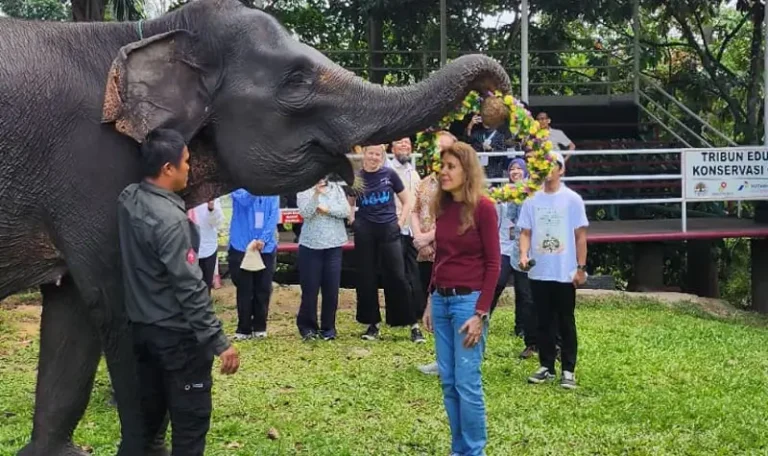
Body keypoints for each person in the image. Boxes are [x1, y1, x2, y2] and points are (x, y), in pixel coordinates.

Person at [116, 128, 239, 455]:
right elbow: (188, 287)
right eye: (185, 162)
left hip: (142, 333)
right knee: (190, 427)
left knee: (145, 427)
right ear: (167, 169)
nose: (190, 168)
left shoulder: (128, 200)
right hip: (178, 341)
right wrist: (218, 341)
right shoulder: (171, 220)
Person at [423, 141, 500, 456]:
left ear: (466, 171)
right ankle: (460, 450)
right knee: (449, 382)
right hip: (440, 302)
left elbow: (494, 264)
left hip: (468, 304)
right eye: (443, 166)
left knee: (467, 383)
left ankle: (474, 451)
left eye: (451, 166)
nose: (444, 172)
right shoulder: (442, 207)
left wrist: (480, 314)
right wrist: (430, 299)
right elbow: (440, 256)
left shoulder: (483, 207)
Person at [518, 152, 588, 389]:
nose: (549, 169)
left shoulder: (572, 199)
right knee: (543, 321)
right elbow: (525, 232)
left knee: (565, 321)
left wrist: (581, 268)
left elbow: (580, 236)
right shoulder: (531, 200)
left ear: (562, 170)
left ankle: (568, 369)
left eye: (554, 165)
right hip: (540, 271)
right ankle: (546, 366)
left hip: (564, 272)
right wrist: (524, 254)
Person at [353, 144, 423, 342]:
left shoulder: (389, 174)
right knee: (367, 278)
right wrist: (353, 221)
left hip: (388, 229)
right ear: (364, 155)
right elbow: (349, 202)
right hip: (365, 231)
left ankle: (412, 324)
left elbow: (408, 201)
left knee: (397, 276)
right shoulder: (357, 178)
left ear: (382, 156)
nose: (374, 157)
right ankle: (372, 324)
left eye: (378, 154)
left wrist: (399, 223)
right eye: (371, 153)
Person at [413, 131, 456, 376]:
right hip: (425, 253)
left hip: (447, 253)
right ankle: (440, 359)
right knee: (433, 308)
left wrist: (429, 238)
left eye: (444, 148)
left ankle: (452, 361)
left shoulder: (455, 186)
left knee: (451, 309)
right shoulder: (426, 182)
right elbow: (415, 210)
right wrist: (420, 239)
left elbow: (452, 219)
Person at [295, 176, 350, 341]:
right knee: (310, 290)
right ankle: (308, 328)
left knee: (331, 290)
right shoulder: (304, 189)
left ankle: (328, 328)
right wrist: (316, 196)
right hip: (311, 247)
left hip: (333, 245)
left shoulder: (336, 189)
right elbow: (305, 212)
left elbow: (345, 211)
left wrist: (326, 209)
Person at [386, 137, 425, 342]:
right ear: (392, 148)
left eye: (407, 144)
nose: (404, 146)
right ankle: (397, 317)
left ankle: (415, 315)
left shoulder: (413, 172)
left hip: (412, 231)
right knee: (396, 275)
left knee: (413, 275)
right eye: (400, 143)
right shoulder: (387, 170)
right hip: (393, 229)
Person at [227, 189, 280, 340]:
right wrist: (255, 186)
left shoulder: (272, 189)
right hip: (241, 244)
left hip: (265, 246)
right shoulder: (238, 186)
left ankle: (260, 326)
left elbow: (273, 216)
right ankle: (243, 328)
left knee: (263, 288)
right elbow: (244, 201)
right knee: (244, 289)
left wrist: (263, 239)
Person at [504, 159, 538, 359]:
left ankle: (554, 343)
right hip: (521, 250)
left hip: (542, 252)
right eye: (512, 169)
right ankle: (530, 341)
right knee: (525, 296)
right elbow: (512, 218)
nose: (515, 172)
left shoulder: (540, 191)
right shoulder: (515, 193)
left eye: (519, 169)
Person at [188, 199, 224, 293]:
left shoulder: (210, 195)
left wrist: (211, 209)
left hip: (207, 248)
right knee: (188, 286)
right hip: (186, 248)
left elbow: (218, 223)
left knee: (205, 287)